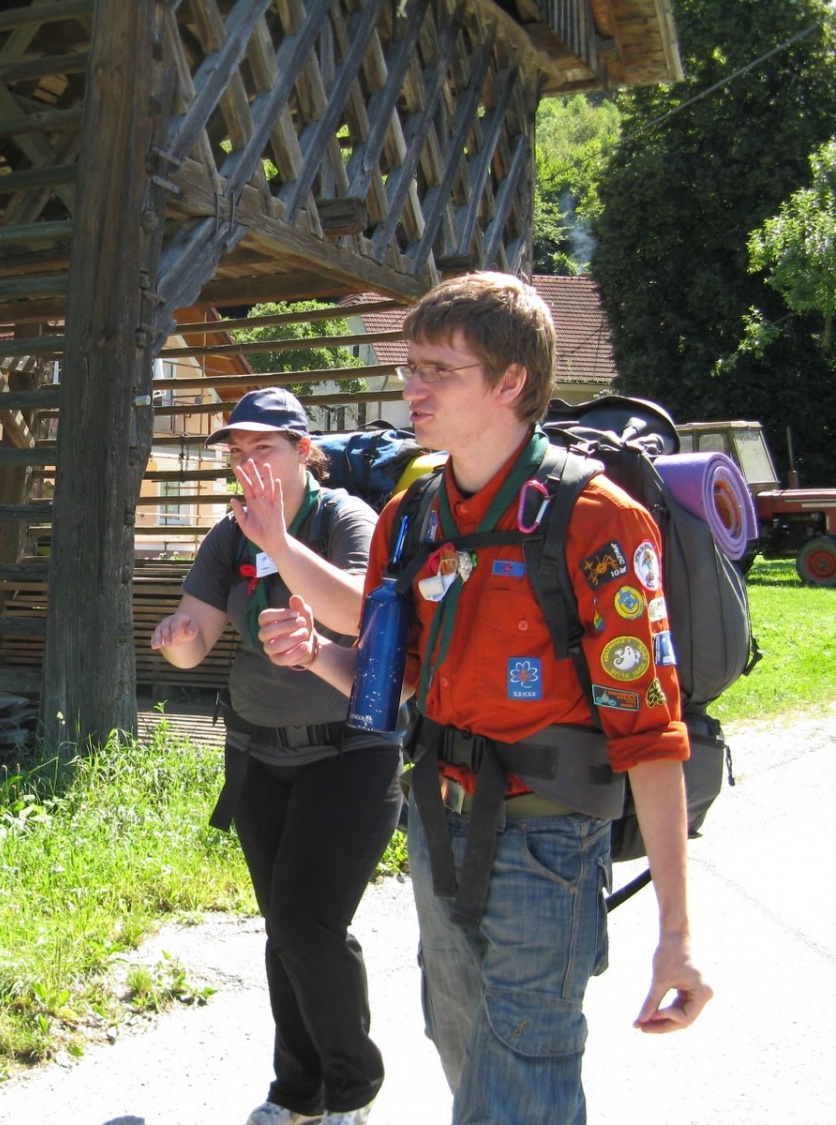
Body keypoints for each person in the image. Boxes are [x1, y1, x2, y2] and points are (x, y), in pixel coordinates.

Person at [258, 273, 713, 1125]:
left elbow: (651, 734)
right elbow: (398, 676)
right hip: (437, 826)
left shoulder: (596, 517)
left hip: (549, 844)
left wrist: (677, 935)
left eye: (440, 370)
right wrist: (319, 654)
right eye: (411, 367)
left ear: (511, 384)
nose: (413, 389)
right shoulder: (413, 510)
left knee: (522, 1084)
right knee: (459, 1042)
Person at [151, 388, 403, 1125]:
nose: (247, 464)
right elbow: (196, 640)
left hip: (349, 752)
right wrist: (178, 636)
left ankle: (352, 1091)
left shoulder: (346, 519)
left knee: (307, 925)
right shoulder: (229, 536)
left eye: (264, 448)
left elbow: (359, 612)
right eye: (237, 452)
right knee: (282, 932)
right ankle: (300, 1093)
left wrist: (280, 546)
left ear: (303, 451)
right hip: (259, 755)